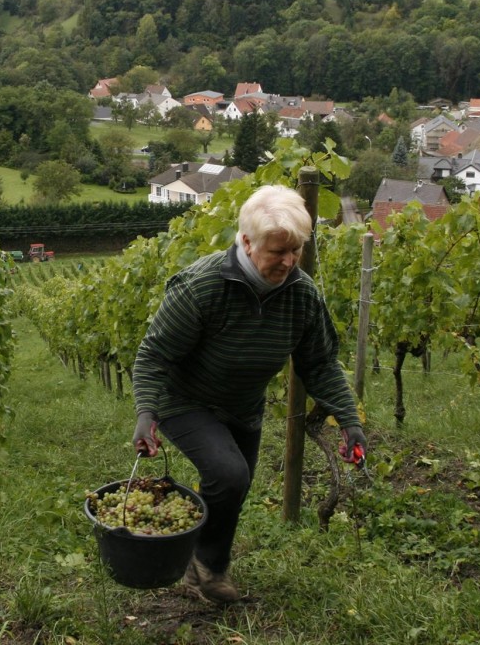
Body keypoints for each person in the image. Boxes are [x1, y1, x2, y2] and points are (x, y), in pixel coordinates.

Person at [131, 185, 367, 603]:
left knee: (234, 488)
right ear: (246, 242)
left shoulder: (302, 295)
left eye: (295, 250)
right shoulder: (202, 287)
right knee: (229, 474)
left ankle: (202, 562)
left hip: (244, 405)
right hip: (184, 398)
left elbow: (319, 363)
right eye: (278, 251)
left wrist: (348, 421)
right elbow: (154, 356)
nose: (289, 261)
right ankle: (208, 570)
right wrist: (146, 413)